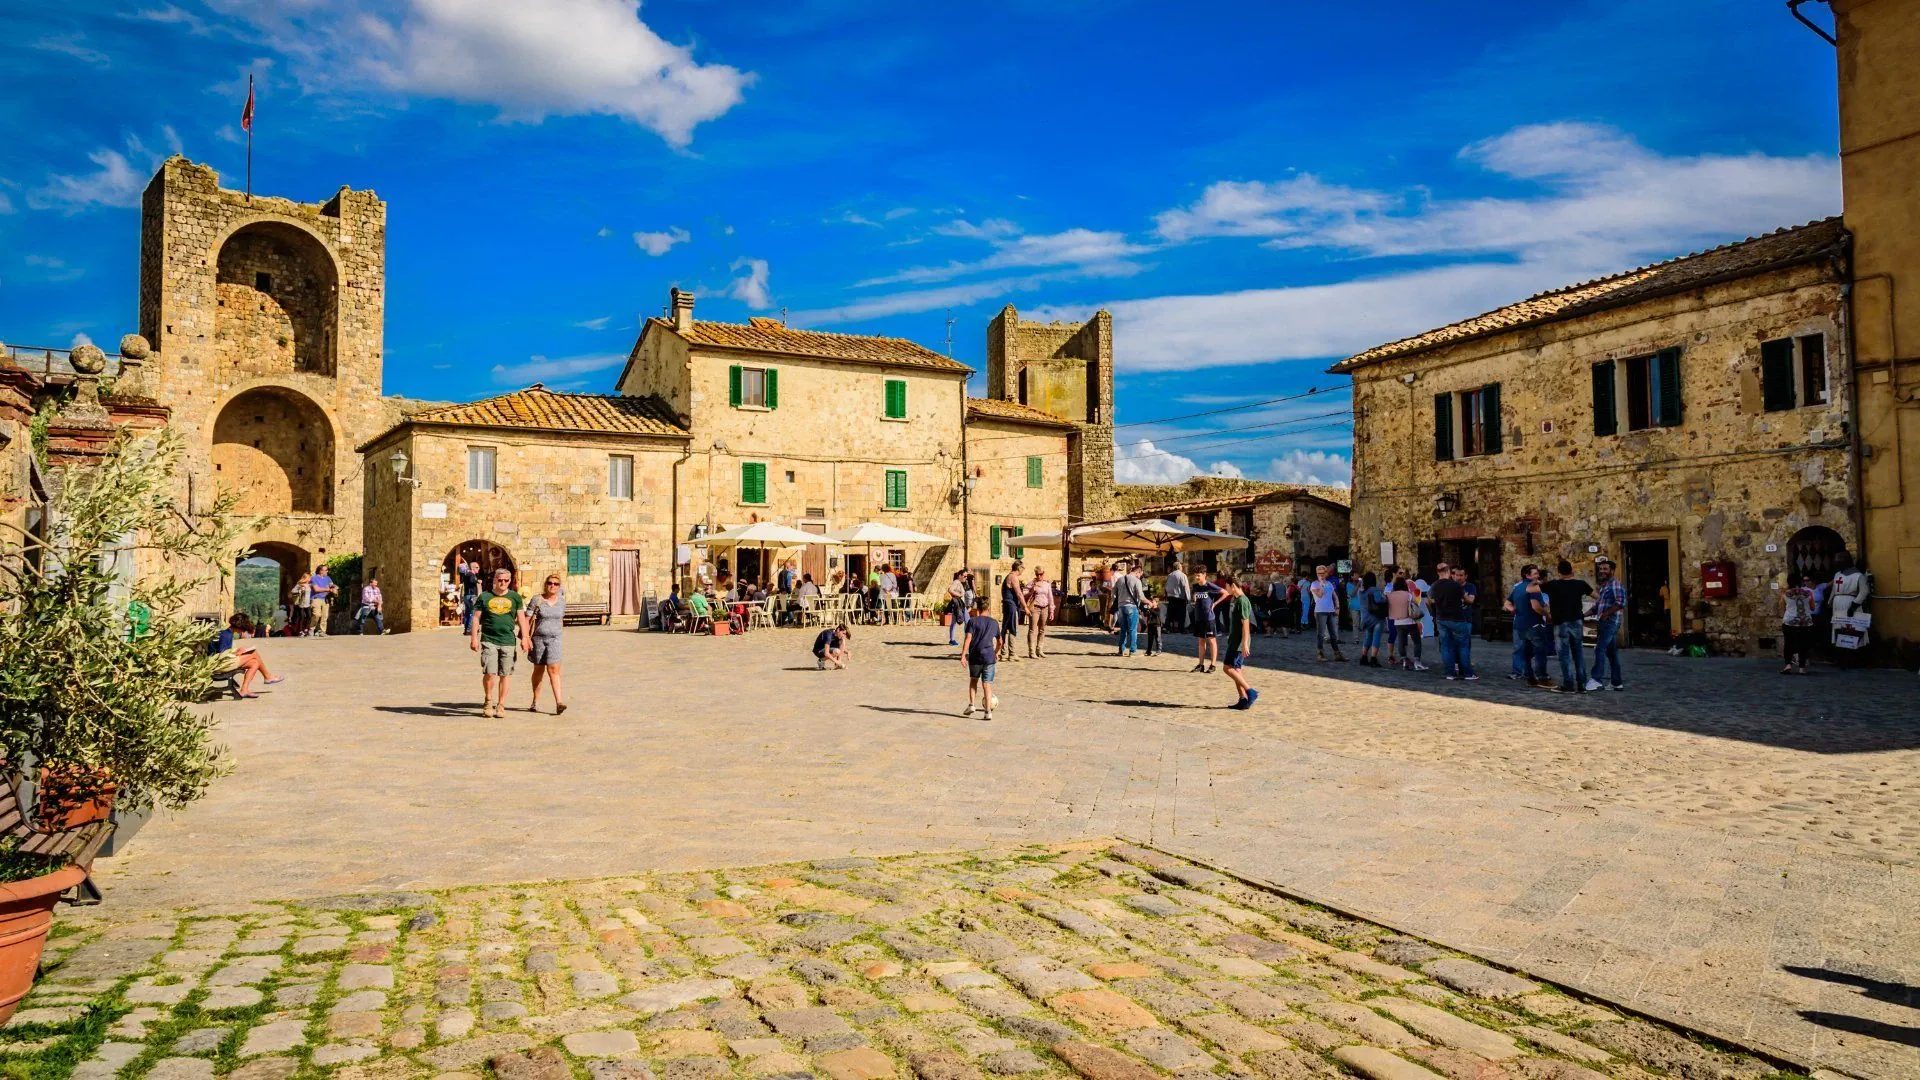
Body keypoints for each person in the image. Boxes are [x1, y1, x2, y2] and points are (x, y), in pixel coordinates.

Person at [472, 567, 530, 717]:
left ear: (510, 581)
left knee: (505, 674)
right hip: (489, 639)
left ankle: (501, 704)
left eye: (506, 580)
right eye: (500, 580)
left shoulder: (515, 597)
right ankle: (488, 701)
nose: (502, 583)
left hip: (508, 641)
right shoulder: (484, 597)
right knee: (490, 673)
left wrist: (525, 637)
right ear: (495, 580)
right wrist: (474, 638)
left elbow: (522, 619)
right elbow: (476, 618)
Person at [1540, 560, 1593, 692]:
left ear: (1559, 571)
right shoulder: (1581, 584)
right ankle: (1582, 685)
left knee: (1564, 655)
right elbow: (1597, 596)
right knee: (1578, 653)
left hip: (1560, 622)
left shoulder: (1553, 585)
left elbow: (1531, 588)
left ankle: (1568, 684)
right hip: (1577, 620)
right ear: (1572, 570)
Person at [209, 614, 283, 697]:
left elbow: (224, 650)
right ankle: (268, 676)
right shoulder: (226, 635)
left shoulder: (227, 633)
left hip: (222, 663)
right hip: (221, 665)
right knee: (254, 653)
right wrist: (236, 653)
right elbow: (222, 654)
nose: (243, 631)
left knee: (255, 663)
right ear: (240, 627)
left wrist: (237, 650)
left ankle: (244, 690)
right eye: (244, 629)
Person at [525, 574, 568, 714]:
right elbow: (527, 619)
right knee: (539, 670)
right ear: (546, 584)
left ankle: (559, 702)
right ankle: (535, 701)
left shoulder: (561, 601)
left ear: (559, 586)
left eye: (556, 584)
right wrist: (526, 638)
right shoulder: (537, 600)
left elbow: (560, 619)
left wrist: (559, 633)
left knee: (554, 669)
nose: (553, 586)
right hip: (538, 639)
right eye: (550, 583)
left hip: (555, 639)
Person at [1504, 564, 1548, 685]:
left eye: (1537, 573)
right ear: (1527, 575)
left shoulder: (1518, 588)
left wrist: (1513, 609)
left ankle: (1529, 676)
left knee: (1525, 652)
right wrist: (1547, 615)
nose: (1537, 575)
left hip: (1520, 624)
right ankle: (1542, 677)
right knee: (1540, 652)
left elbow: (1507, 603)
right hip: (1534, 623)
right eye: (1535, 573)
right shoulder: (1533, 587)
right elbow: (1536, 607)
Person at [1429, 567, 1476, 680]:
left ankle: (1450, 673)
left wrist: (1434, 614)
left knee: (1446, 647)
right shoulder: (1455, 586)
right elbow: (1469, 600)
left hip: (1441, 619)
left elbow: (1429, 601)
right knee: (1463, 647)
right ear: (1449, 573)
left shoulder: (1434, 585)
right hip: (1457, 619)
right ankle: (1467, 674)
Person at [1589, 557, 1626, 691]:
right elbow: (1596, 606)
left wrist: (1606, 614)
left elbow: (1621, 602)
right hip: (1604, 622)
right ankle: (1616, 682)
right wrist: (1582, 616)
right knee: (1612, 653)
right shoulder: (1604, 586)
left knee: (1600, 649)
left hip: (1610, 622)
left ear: (1612, 570)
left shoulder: (1614, 583)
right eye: (1600, 569)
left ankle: (1596, 679)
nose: (1602, 571)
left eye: (1605, 569)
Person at [961, 596, 1000, 720]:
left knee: (973, 680)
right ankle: (988, 711)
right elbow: (1000, 641)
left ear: (978, 607)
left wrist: (963, 655)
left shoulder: (972, 622)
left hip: (975, 656)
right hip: (989, 657)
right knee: (987, 684)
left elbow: (968, 639)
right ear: (988, 607)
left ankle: (972, 704)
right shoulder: (994, 622)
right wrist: (996, 652)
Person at [1387, 575, 1428, 671]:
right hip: (1409, 621)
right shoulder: (1408, 594)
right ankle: (1417, 661)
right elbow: (1414, 604)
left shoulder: (1390, 595)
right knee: (1417, 641)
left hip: (1397, 622)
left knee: (1402, 641)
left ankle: (1404, 660)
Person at [1781, 571, 1816, 675]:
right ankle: (1802, 668)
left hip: (1789, 622)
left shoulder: (1785, 593)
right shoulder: (1808, 593)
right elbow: (1813, 608)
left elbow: (1782, 608)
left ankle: (1788, 665)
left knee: (1788, 644)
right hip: (1805, 622)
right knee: (1804, 645)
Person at [1309, 564, 1345, 662]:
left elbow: (1335, 596)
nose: (1321, 575)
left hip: (1330, 610)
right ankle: (1320, 654)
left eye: (1323, 573)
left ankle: (1337, 654)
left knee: (1333, 634)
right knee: (1320, 634)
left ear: (1326, 573)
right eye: (1319, 573)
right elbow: (1320, 595)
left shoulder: (1329, 583)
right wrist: (1321, 584)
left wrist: (1337, 607)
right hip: (1320, 611)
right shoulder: (1314, 584)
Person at [1189, 567, 1222, 673]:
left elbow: (1225, 593)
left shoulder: (1210, 586)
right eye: (1195, 575)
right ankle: (1201, 664)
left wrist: (1215, 604)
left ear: (1204, 575)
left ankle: (1213, 665)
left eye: (1198, 575)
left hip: (1209, 618)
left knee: (1212, 641)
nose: (1196, 577)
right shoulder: (1195, 587)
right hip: (1199, 617)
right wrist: (1194, 597)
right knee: (1201, 641)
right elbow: (1195, 597)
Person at [1111, 559, 1144, 657]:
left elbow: (1113, 592)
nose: (1140, 577)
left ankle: (1121, 650)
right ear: (1138, 572)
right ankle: (1133, 651)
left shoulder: (1120, 579)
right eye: (1140, 574)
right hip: (1132, 607)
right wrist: (1149, 602)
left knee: (1123, 629)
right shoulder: (1137, 581)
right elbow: (1141, 597)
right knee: (1133, 629)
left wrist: (1117, 600)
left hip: (1121, 607)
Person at [999, 562, 1027, 662]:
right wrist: (1025, 607)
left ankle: (1003, 653)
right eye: (1023, 568)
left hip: (1007, 605)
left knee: (1005, 629)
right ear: (1019, 568)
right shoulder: (1013, 577)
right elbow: (1019, 593)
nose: (1023, 570)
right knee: (1012, 629)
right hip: (1011, 606)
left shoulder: (1008, 576)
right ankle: (1011, 653)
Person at [1357, 571, 1387, 667]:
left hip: (1365, 618)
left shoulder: (1360, 591)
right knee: (1376, 637)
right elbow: (1379, 600)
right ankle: (1373, 659)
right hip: (1376, 617)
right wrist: (1385, 599)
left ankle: (1363, 657)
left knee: (1368, 637)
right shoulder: (1374, 589)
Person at [1027, 567, 1056, 658]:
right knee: (1032, 629)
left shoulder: (1047, 585)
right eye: (1037, 574)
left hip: (1045, 608)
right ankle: (1031, 651)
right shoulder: (1032, 583)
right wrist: (1031, 591)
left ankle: (1039, 649)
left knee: (1042, 630)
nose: (1039, 576)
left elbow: (1050, 597)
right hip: (1035, 608)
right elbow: (1024, 593)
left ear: (1044, 573)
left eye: (1041, 574)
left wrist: (1051, 611)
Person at [1162, 561, 1190, 639]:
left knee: (1170, 613)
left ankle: (1166, 627)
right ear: (1179, 567)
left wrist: (1167, 595)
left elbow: (1166, 586)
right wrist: (1188, 598)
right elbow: (1186, 587)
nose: (1182, 567)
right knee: (1182, 613)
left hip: (1171, 597)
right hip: (1180, 597)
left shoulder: (1170, 575)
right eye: (1181, 566)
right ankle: (1181, 629)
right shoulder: (1182, 575)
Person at [308, 565, 337, 637]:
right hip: (316, 598)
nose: (327, 571)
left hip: (325, 599)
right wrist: (328, 589)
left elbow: (332, 585)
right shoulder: (314, 578)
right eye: (326, 570)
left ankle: (322, 631)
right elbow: (316, 589)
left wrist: (335, 588)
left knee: (325, 616)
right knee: (317, 615)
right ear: (321, 571)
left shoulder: (327, 578)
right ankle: (311, 629)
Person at [946, 570, 970, 647]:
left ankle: (952, 639)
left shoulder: (959, 583)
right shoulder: (956, 582)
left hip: (958, 605)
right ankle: (967, 638)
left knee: (954, 622)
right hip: (959, 605)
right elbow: (950, 589)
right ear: (960, 575)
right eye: (965, 576)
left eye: (967, 576)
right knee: (967, 621)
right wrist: (958, 595)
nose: (966, 578)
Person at [458, 558, 481, 635]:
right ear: (473, 568)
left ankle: (466, 629)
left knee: (467, 613)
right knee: (473, 613)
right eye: (477, 567)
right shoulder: (471, 575)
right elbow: (472, 580)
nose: (479, 569)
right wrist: (478, 581)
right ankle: (469, 629)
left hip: (466, 596)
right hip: (472, 596)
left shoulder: (466, 575)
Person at [289, 572, 313, 637]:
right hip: (301, 603)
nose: (310, 578)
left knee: (309, 616)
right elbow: (293, 591)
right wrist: (300, 590)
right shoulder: (299, 585)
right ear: (306, 578)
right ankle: (300, 631)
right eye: (309, 577)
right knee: (301, 617)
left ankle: (306, 629)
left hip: (307, 603)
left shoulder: (309, 585)